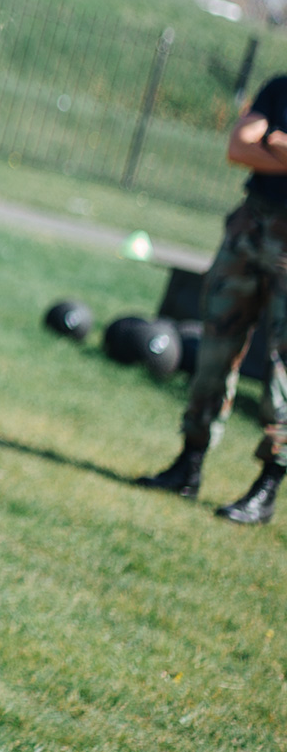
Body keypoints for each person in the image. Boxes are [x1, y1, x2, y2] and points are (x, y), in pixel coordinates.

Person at [135, 73, 287, 525]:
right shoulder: (280, 87)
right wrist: (278, 143)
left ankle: (266, 487)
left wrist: (273, 142)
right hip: (249, 230)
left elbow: (256, 146)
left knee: (282, 368)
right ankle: (189, 465)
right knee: (215, 351)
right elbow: (238, 147)